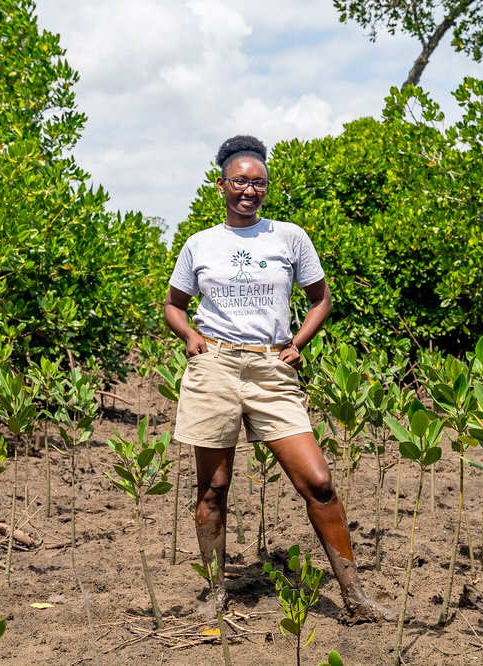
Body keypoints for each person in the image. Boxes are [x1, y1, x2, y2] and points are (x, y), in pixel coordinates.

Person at [164, 135, 392, 622]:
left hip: (272, 368)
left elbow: (321, 299)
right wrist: (190, 336)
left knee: (319, 482)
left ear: (266, 187)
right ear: (221, 184)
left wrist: (297, 345)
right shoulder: (199, 244)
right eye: (240, 181)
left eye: (259, 183)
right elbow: (173, 305)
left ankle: (354, 595)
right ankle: (214, 594)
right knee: (213, 488)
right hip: (217, 366)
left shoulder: (289, 236)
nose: (249, 190)